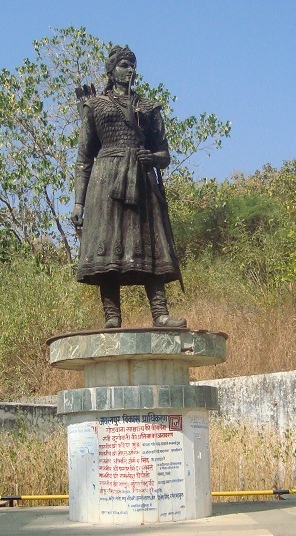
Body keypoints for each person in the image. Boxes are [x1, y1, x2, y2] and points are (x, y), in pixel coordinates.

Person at [71, 45, 186, 329]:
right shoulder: (95, 106)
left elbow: (166, 156)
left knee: (151, 245)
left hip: (142, 181)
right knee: (107, 248)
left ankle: (160, 313)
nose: (129, 70)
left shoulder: (148, 107)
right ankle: (112, 316)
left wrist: (152, 157)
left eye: (132, 65)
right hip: (105, 181)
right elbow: (84, 158)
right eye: (123, 65)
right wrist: (78, 203)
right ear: (111, 70)